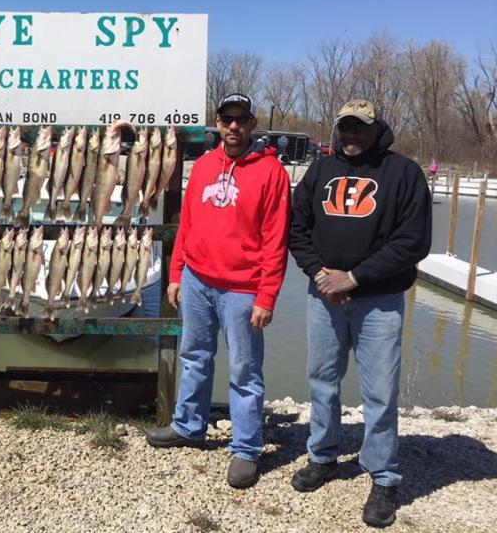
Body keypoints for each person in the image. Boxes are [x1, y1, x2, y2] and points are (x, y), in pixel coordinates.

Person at [289, 99, 431, 528]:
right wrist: (320, 274)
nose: (351, 136)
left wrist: (353, 278)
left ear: (376, 129)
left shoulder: (404, 173)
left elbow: (413, 241)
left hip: (379, 301)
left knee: (381, 393)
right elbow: (297, 228)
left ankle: (384, 476)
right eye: (345, 128)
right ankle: (323, 455)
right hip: (324, 298)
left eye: (360, 128)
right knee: (322, 382)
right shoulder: (320, 170)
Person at [145, 93, 291, 489]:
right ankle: (188, 425)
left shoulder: (272, 172)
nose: (233, 126)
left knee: (245, 370)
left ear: (252, 123)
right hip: (197, 280)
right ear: (218, 123)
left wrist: (267, 296)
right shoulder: (205, 165)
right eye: (227, 119)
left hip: (243, 290)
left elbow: (276, 241)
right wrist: (177, 273)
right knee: (194, 356)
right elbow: (188, 224)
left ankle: (246, 448)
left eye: (241, 119)